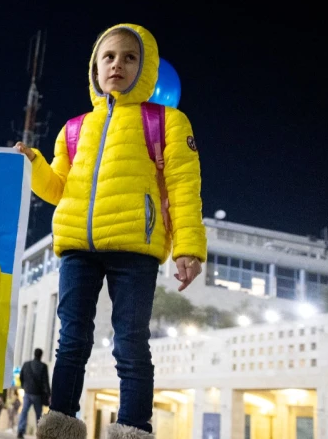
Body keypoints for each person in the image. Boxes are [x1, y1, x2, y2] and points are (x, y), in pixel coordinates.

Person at [16, 24, 205, 439]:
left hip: (135, 246)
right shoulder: (74, 128)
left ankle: (133, 428)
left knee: (130, 343)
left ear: (147, 68)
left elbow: (183, 187)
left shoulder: (167, 121)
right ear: (94, 68)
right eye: (109, 56)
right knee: (71, 340)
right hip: (77, 248)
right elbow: (57, 188)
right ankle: (59, 425)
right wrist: (33, 163)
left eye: (130, 57)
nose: (117, 64)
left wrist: (188, 247)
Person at [17, 349, 51, 438]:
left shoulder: (26, 364)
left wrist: (24, 387)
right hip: (38, 395)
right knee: (38, 415)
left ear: (34, 354)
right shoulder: (43, 366)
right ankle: (40, 434)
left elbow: (21, 377)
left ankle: (20, 431)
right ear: (41, 355)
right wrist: (49, 395)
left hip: (27, 393)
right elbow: (45, 382)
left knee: (24, 412)